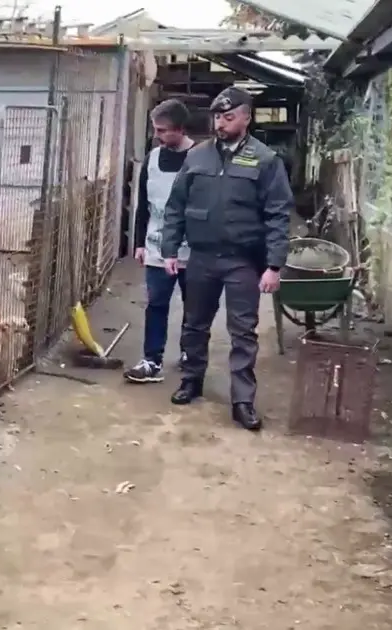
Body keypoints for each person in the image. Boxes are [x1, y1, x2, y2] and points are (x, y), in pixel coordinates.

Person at [159, 87, 294, 431]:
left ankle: (242, 400)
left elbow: (278, 214)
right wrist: (170, 249)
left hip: (242, 261)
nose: (220, 123)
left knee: (243, 332)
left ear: (246, 118)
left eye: (228, 117)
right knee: (194, 324)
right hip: (202, 257)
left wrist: (274, 266)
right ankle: (191, 380)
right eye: (217, 117)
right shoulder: (197, 156)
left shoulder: (265, 160)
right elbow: (176, 206)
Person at [124, 99, 195, 384]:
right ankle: (151, 360)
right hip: (157, 246)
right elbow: (143, 202)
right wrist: (139, 243)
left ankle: (191, 352)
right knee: (156, 304)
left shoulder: (201, 158)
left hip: (192, 249)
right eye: (156, 129)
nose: (157, 135)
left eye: (163, 130)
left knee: (194, 305)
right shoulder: (152, 159)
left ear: (180, 129)